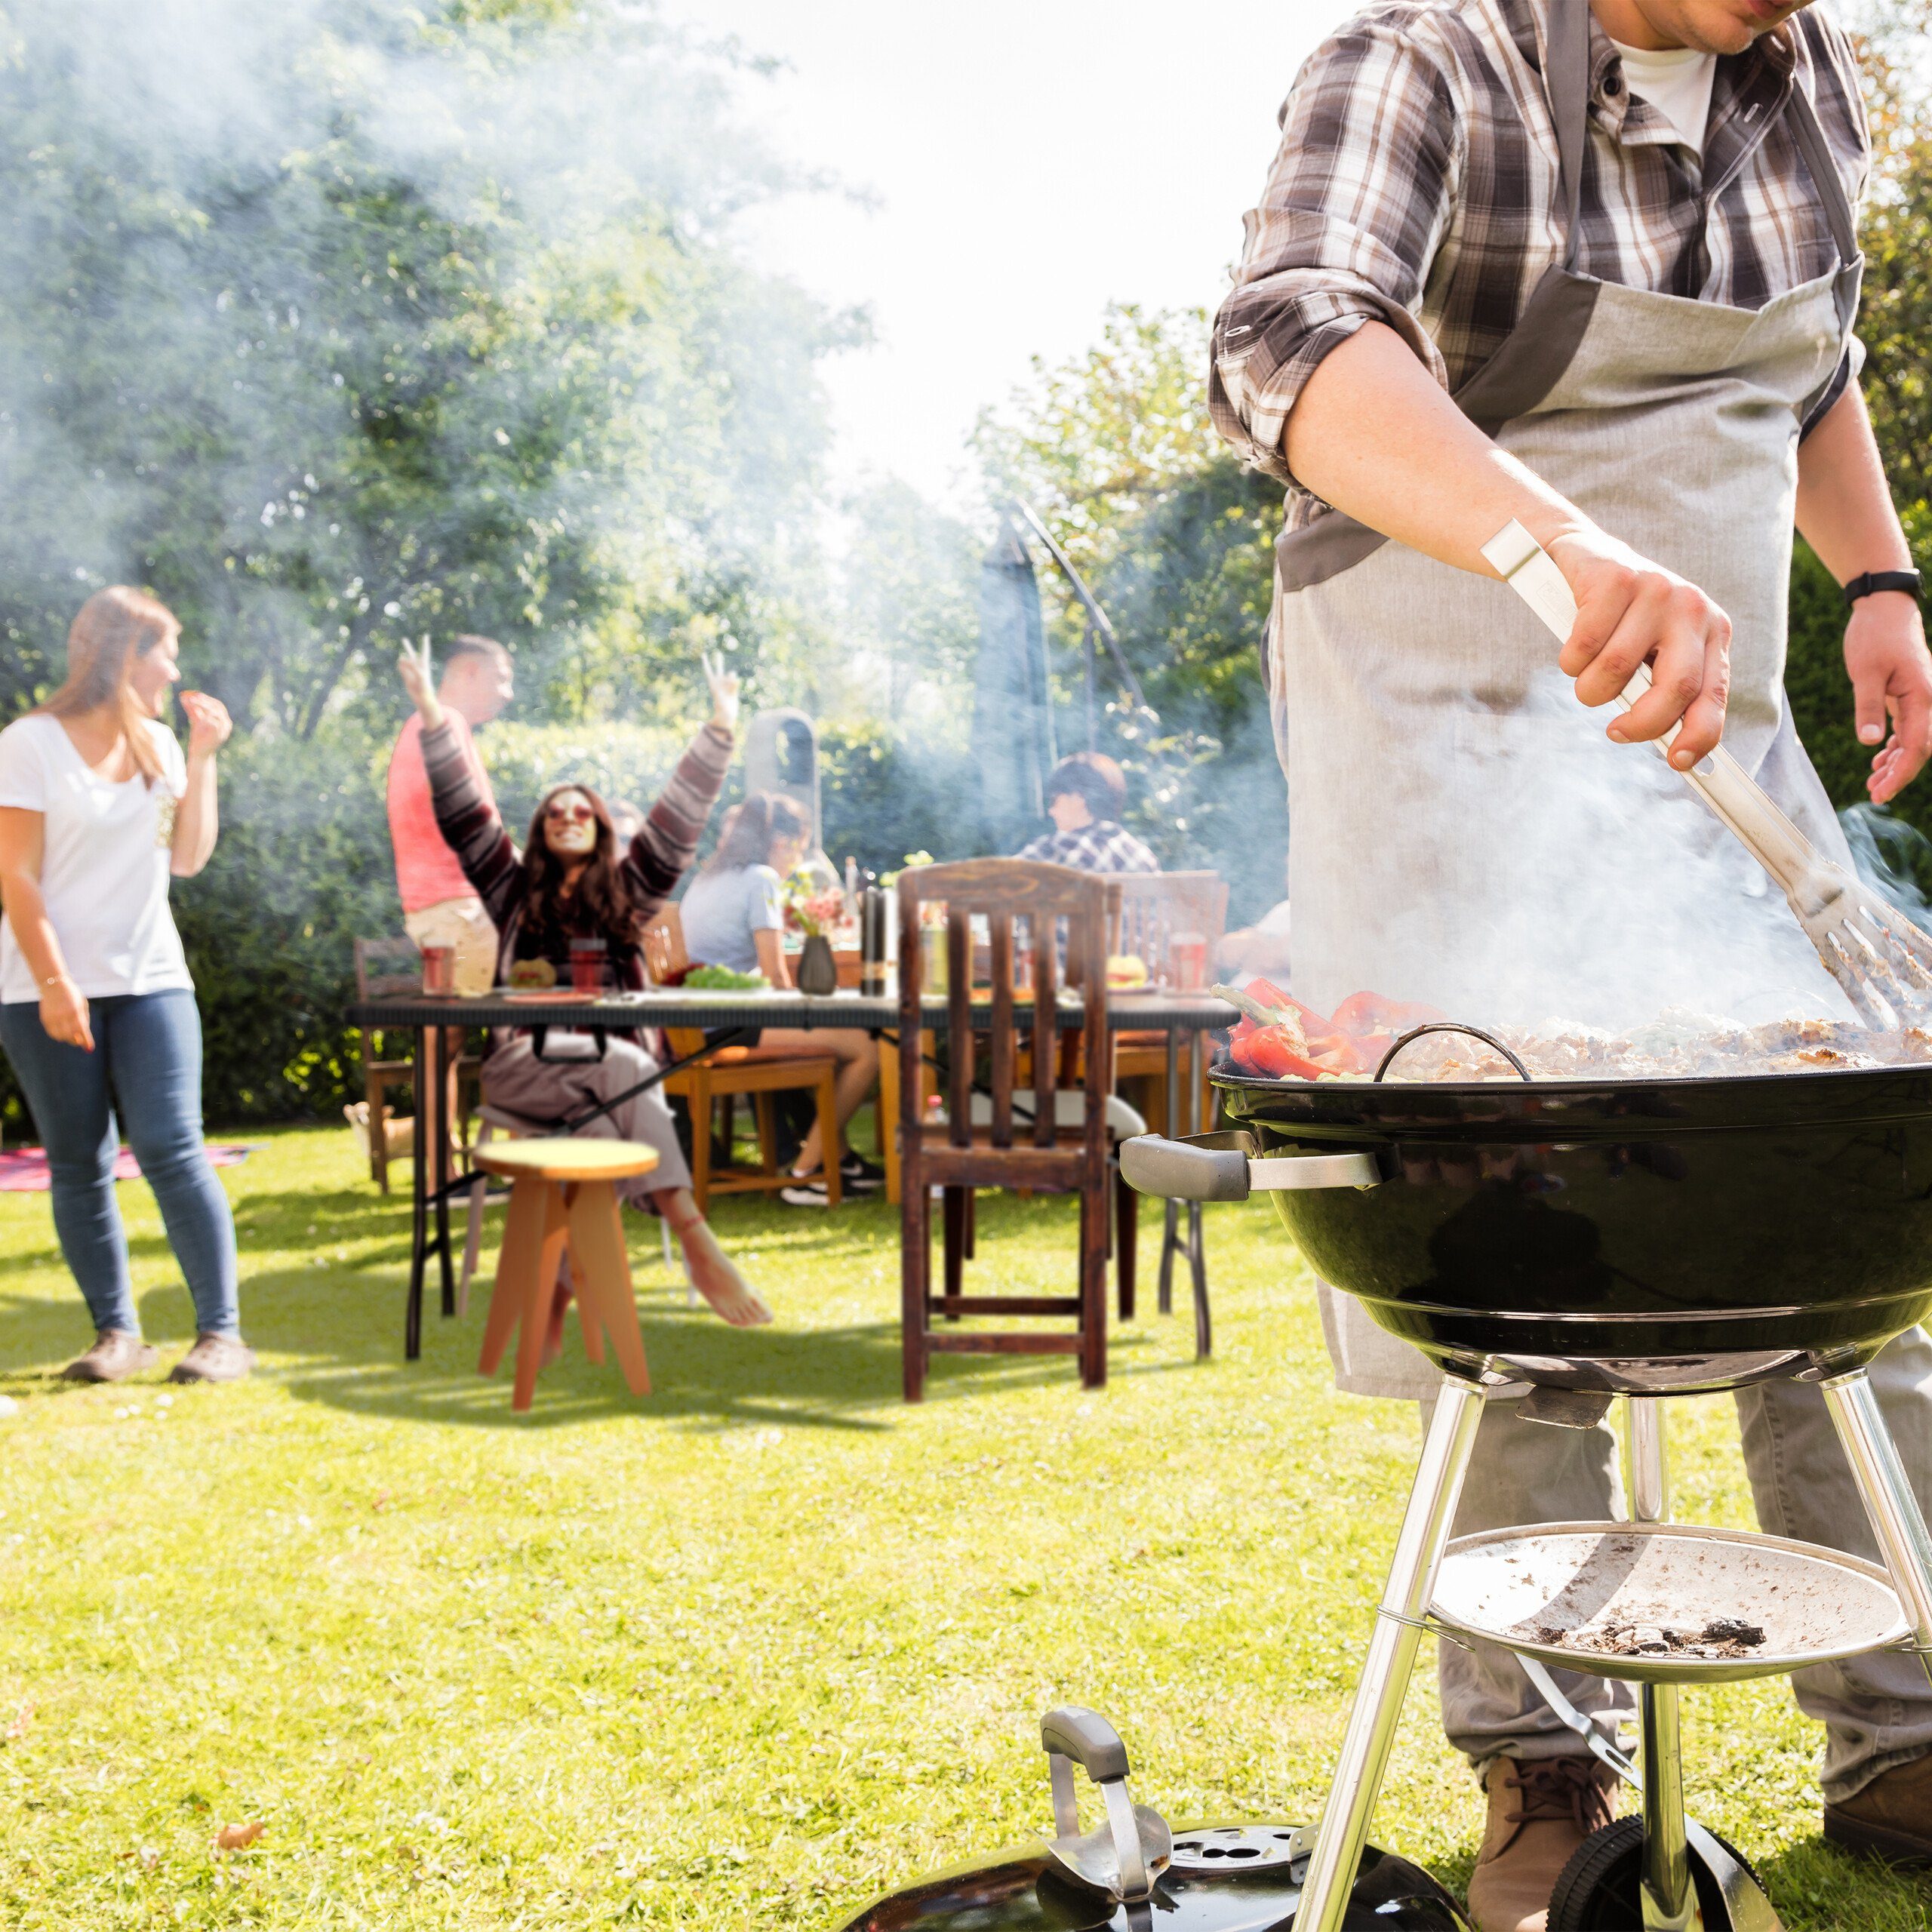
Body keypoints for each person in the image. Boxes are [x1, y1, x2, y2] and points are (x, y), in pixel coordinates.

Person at [1213, 0, 1932, 1921]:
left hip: (1717, 731)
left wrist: (1871, 580)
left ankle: (1904, 1732)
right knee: (1519, 1260)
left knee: (1838, 1183)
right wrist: (1557, 544)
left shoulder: (1799, 82)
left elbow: (1810, 361)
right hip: (1441, 722)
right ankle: (1534, 1761)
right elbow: (1286, 339)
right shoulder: (1418, 60)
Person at [396, 641, 771, 1331]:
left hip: (611, 1083)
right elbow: (463, 816)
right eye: (555, 812)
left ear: (602, 832)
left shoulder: (626, 896)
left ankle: (562, 1285)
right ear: (538, 832)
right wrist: (431, 713)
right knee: (628, 1071)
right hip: (526, 1072)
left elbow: (677, 824)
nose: (569, 817)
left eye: (583, 812)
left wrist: (719, 731)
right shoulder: (510, 892)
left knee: (612, 1094)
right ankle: (694, 1236)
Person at [0, 589, 251, 1385]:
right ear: (121, 654)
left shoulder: (160, 744)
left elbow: (186, 858)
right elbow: (15, 874)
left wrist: (203, 756)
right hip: (43, 984)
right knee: (78, 1159)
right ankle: (117, 1334)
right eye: (164, 650)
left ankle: (221, 1336)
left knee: (174, 1147)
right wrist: (54, 982)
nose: (174, 667)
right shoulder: (29, 745)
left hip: (151, 979)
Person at [679, 793, 883, 1207]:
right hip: (731, 1025)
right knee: (868, 1048)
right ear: (778, 841)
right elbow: (776, 978)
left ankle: (840, 1161)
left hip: (694, 1026)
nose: (798, 857)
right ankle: (806, 1173)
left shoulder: (705, 880)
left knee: (832, 1044)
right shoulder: (761, 879)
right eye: (799, 844)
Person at [387, 634, 514, 997]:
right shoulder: (445, 726)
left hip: (434, 915)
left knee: (444, 1029)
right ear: (470, 672)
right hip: (463, 913)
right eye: (501, 678)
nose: (508, 693)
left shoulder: (423, 727)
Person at [1013, 753, 1158, 873]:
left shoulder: (1054, 851)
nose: (1051, 812)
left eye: (1054, 800)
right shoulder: (1142, 856)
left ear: (1078, 799)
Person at [1217, 853, 1291, 988]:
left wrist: (1254, 945)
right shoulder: (1284, 909)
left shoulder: (1320, 916)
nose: (1287, 879)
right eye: (1289, 871)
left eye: (1294, 871)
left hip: (1275, 1005)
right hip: (1239, 997)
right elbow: (1226, 951)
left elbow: (1270, 960)